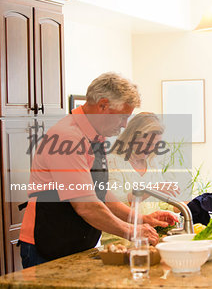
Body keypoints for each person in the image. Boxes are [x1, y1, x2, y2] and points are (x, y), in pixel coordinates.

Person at [19, 72, 177, 268]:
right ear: (102, 106)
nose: (124, 125)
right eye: (122, 117)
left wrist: (142, 219)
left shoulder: (95, 137)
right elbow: (86, 205)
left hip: (73, 244)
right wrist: (132, 231)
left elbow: (101, 193)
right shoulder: (67, 138)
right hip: (46, 245)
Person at [102, 112, 179, 244]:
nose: (151, 149)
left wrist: (186, 206)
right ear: (131, 137)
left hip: (148, 238)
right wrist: (149, 189)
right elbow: (113, 203)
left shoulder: (152, 164)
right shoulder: (114, 161)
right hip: (120, 242)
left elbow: (159, 203)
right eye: (147, 143)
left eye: (155, 145)